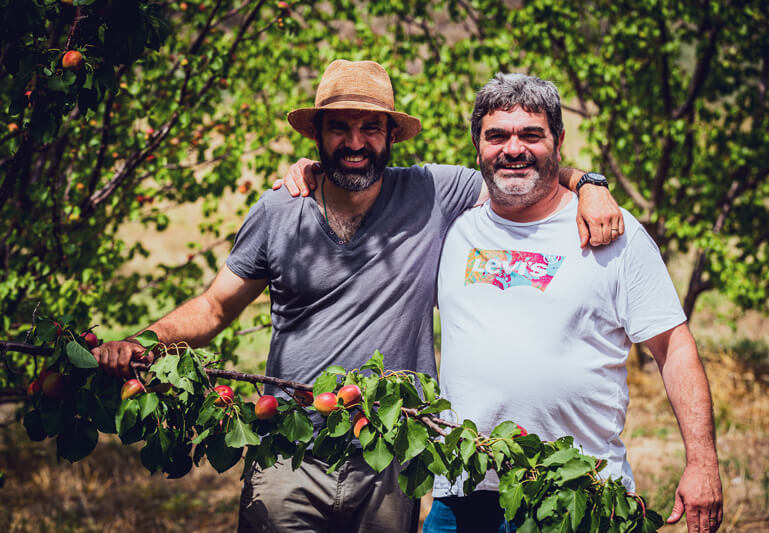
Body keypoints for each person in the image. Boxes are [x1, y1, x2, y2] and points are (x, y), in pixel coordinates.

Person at [91, 60, 621, 533]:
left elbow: (520, 173)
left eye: (371, 127)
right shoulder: (279, 211)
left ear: (391, 136)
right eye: (339, 126)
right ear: (316, 134)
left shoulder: (434, 192)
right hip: (291, 447)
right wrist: (143, 341)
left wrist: (591, 182)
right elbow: (213, 307)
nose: (355, 141)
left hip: (392, 451)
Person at [424, 73, 723, 533]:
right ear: (478, 146)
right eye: (497, 136)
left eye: (531, 135)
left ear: (559, 141)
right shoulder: (451, 226)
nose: (513, 148)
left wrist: (701, 463)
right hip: (463, 493)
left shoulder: (613, 232)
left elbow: (674, 347)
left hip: (577, 495)